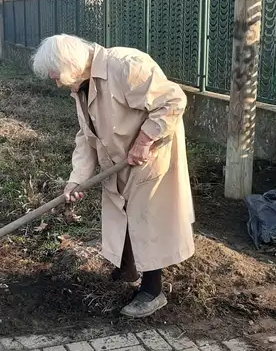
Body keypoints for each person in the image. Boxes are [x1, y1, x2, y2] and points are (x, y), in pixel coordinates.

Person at [31, 34, 195, 318]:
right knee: (122, 210)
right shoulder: (81, 85)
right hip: (117, 156)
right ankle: (127, 268)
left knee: (147, 218)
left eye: (57, 76)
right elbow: (87, 136)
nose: (57, 83)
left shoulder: (125, 66)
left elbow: (172, 101)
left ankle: (153, 291)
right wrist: (77, 179)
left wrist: (145, 141)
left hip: (152, 154)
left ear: (70, 64)